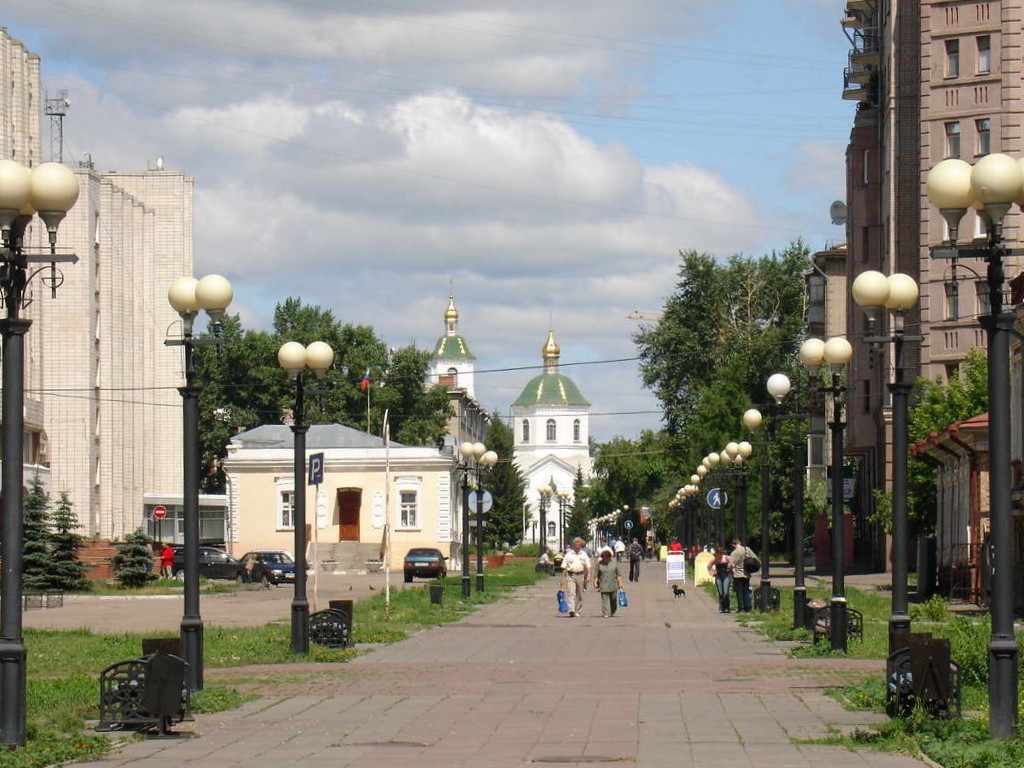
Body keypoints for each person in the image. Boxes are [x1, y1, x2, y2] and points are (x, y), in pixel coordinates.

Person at [561, 537, 591, 617]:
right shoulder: (568, 555)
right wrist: (563, 578)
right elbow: (564, 567)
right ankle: (571, 610)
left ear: (581, 545)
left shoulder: (584, 554)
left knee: (579, 594)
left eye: (579, 545)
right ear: (573, 545)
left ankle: (577, 610)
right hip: (571, 575)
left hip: (580, 575)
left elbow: (588, 566)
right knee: (571, 592)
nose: (577, 546)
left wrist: (589, 575)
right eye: (576, 545)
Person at [594, 547, 624, 618]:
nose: (606, 557)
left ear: (610, 556)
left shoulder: (614, 563)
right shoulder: (599, 564)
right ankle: (605, 613)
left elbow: (618, 574)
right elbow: (596, 574)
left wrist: (620, 582)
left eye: (607, 556)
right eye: (604, 556)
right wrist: (595, 582)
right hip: (603, 584)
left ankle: (612, 611)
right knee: (604, 600)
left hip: (613, 584)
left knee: (613, 599)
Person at [729, 538, 753, 613]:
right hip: (747, 573)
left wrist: (731, 569)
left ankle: (741, 607)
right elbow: (754, 558)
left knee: (739, 592)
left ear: (733, 545)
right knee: (746, 590)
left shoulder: (734, 552)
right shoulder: (747, 549)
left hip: (737, 574)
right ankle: (747, 607)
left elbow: (730, 564)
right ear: (739, 542)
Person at [708, 546, 732, 613]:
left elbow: (732, 563)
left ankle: (727, 607)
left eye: (720, 553)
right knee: (720, 592)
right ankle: (722, 606)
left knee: (725, 592)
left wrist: (730, 569)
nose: (718, 555)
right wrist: (713, 573)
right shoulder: (715, 559)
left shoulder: (726, 558)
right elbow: (709, 566)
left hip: (726, 575)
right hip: (718, 576)